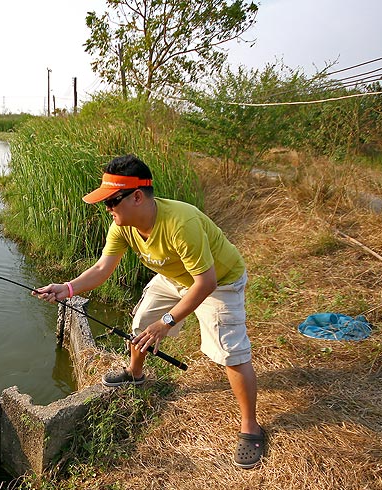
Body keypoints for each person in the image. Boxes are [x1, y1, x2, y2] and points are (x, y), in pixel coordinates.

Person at [33, 154, 265, 469]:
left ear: (137, 196)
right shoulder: (122, 227)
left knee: (229, 350)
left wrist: (168, 322)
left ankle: (250, 427)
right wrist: (68, 288)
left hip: (219, 281)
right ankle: (135, 374)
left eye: (112, 201)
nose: (108, 208)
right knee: (141, 322)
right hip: (174, 277)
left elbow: (206, 282)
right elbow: (103, 268)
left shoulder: (182, 224)